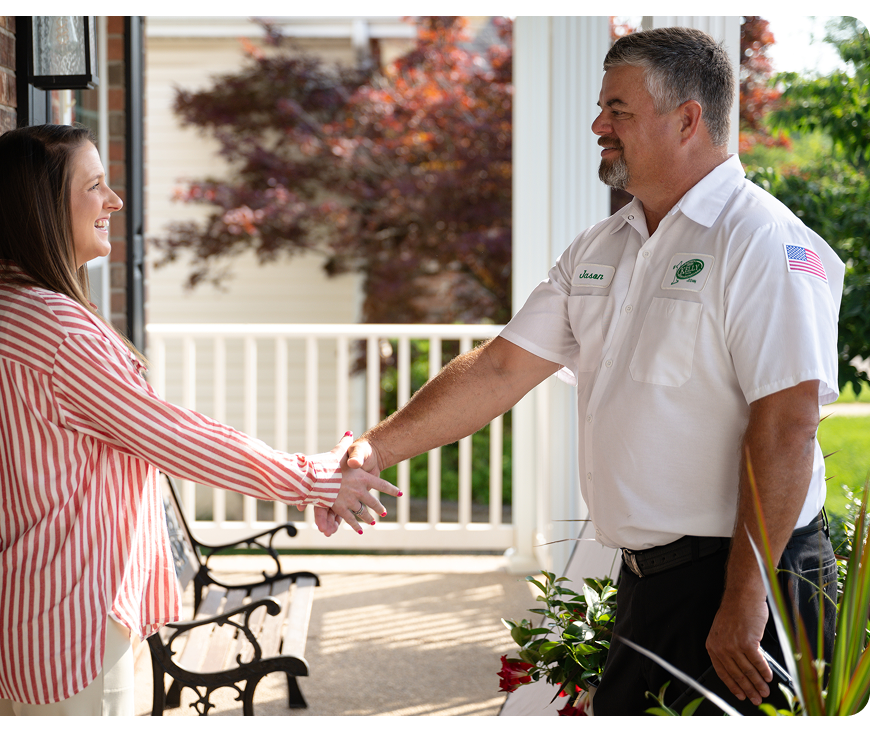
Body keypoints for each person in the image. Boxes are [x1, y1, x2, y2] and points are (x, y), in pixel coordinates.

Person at [328, 27, 843, 715]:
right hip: (651, 587)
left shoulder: (761, 241)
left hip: (749, 583)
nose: (598, 125)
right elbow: (502, 367)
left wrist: (747, 602)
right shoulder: (603, 245)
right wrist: (375, 447)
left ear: (687, 118)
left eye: (618, 110)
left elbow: (787, 426)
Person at [0, 124, 396, 716]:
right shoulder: (57, 328)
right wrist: (313, 479)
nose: (114, 201)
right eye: (96, 186)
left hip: (5, 610)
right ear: (45, 209)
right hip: (64, 619)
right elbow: (175, 437)